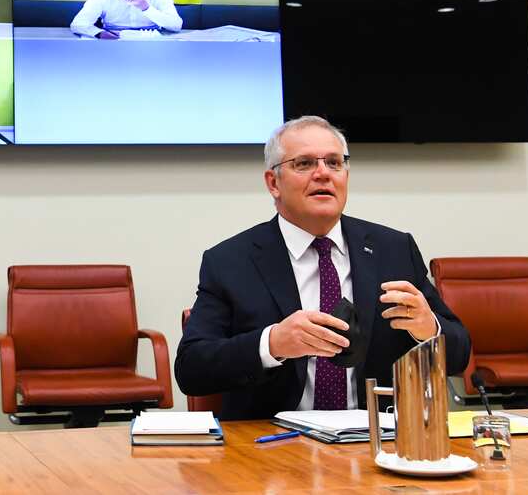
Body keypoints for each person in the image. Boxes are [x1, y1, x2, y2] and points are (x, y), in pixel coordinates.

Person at [174, 116, 471, 420]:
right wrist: (272, 343)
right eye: (303, 164)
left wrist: (429, 329)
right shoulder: (231, 261)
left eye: (334, 162)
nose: (323, 174)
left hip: (376, 442)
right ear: (273, 183)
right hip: (272, 446)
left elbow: (460, 355)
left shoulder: (393, 250)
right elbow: (191, 368)